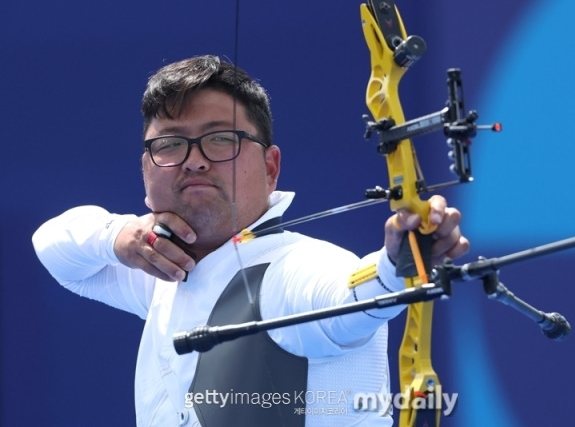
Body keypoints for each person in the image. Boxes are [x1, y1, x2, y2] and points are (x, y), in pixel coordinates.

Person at [32, 55, 469, 427]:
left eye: (221, 139)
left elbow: (344, 295)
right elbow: (54, 246)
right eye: (170, 144)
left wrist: (396, 266)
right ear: (145, 169)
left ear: (271, 167)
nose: (195, 161)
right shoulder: (163, 272)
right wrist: (120, 236)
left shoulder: (294, 267)